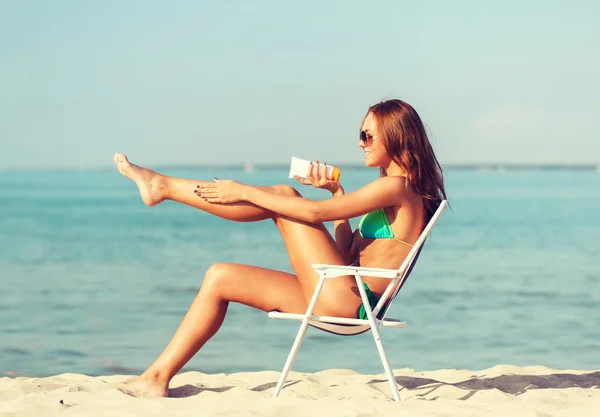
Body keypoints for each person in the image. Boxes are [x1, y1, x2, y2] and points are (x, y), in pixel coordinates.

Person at [114, 99, 447, 397]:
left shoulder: (397, 187)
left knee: (286, 197)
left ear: (395, 135)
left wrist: (243, 191)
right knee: (220, 277)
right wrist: (337, 193)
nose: (361, 143)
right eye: (360, 135)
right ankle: (156, 378)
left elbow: (313, 213)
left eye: (368, 136)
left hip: (349, 304)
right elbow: (345, 255)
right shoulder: (397, 190)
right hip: (342, 292)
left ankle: (163, 186)